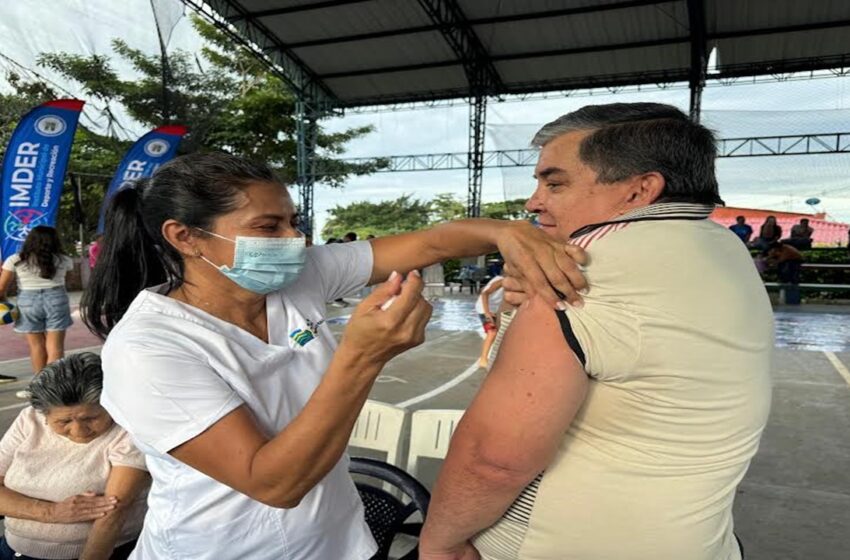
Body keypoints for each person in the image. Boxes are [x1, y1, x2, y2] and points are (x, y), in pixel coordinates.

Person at [81, 152, 586, 560]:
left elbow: (431, 242)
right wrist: (363, 357)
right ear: (185, 237)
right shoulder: (149, 348)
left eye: (293, 222)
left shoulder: (302, 277)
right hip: (223, 547)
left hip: (336, 539)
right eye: (268, 226)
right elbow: (272, 482)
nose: (294, 240)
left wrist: (506, 232)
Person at [420, 103, 772, 560]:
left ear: (639, 190)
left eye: (555, 182)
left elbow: (494, 459)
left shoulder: (580, 269)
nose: (533, 202)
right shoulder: (724, 247)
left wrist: (438, 542)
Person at [0, 352, 149, 560]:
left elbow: (114, 513)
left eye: (91, 418)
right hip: (14, 549)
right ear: (44, 414)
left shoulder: (127, 430)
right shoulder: (29, 419)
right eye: (64, 422)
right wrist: (52, 512)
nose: (79, 430)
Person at [0, 226, 74, 395]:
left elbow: (2, 287)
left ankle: (38, 387)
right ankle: (54, 387)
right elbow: (66, 282)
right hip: (57, 298)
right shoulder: (63, 259)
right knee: (55, 346)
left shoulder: (16, 259)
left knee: (36, 345)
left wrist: (4, 303)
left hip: (28, 301)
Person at [475, 274, 504, 368]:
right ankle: (483, 359)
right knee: (492, 332)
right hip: (484, 308)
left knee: (499, 332)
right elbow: (484, 293)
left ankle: (494, 356)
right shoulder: (502, 280)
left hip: (493, 309)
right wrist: (487, 312)